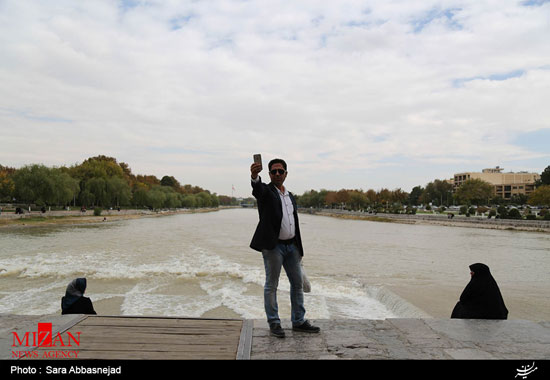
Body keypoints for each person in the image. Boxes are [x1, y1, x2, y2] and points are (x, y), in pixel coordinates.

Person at [250, 158, 320, 338]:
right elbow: (257, 190)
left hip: (292, 247)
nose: (278, 174)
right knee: (271, 285)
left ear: (286, 174)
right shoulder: (266, 191)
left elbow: (294, 222)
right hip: (274, 248)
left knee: (297, 284)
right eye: (274, 171)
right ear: (269, 174)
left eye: (281, 171)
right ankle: (274, 323)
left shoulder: (290, 197)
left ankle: (298, 321)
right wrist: (254, 176)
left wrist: (299, 249)